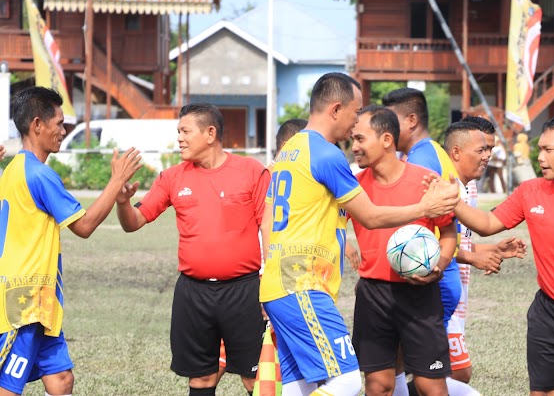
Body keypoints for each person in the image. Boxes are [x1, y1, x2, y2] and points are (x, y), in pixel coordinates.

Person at [259, 73, 460, 396]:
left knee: (299, 385)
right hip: (301, 284)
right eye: (354, 113)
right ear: (336, 109)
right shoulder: (326, 154)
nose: (353, 127)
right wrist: (424, 206)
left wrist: (267, 271)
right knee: (347, 380)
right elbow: (369, 215)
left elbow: (268, 220)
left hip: (277, 284)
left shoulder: (289, 151)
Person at [452, 114, 554, 396]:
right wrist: (450, 199)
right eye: (539, 149)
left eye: (548, 150)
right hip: (548, 313)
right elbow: (487, 224)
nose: (540, 157)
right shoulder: (530, 191)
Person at [116, 103, 270, 396]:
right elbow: (134, 222)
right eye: (178, 132)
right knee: (201, 380)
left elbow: (269, 229)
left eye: (185, 131)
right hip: (193, 294)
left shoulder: (251, 171)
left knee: (255, 380)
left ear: (210, 133)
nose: (179, 139)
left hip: (245, 292)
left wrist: (271, 282)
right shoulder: (172, 177)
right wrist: (123, 202)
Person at [0, 86, 142, 396]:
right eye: (59, 123)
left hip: (42, 301)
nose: (64, 131)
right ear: (37, 124)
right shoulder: (38, 174)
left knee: (61, 380)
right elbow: (86, 225)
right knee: (7, 388)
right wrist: (116, 180)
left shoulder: (12, 171)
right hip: (24, 303)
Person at [350, 105, 457, 396]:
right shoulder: (353, 187)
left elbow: (448, 233)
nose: (354, 147)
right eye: (352, 139)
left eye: (360, 139)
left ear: (386, 139)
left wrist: (441, 265)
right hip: (372, 295)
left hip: (419, 295)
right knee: (379, 385)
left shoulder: (425, 180)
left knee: (430, 386)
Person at [215, 117, 307, 387]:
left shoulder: (287, 178)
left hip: (261, 282)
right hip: (259, 282)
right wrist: (266, 278)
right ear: (293, 146)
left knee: (250, 364)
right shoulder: (271, 180)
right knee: (252, 370)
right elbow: (260, 232)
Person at [382, 87, 463, 394]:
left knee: (420, 372)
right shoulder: (430, 151)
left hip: (431, 278)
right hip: (438, 273)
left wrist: (438, 265)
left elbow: (429, 226)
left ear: (412, 120)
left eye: (392, 121)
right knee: (401, 364)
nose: (386, 129)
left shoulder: (421, 161)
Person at [442, 121, 526, 389]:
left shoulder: (471, 189)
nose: (487, 156)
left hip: (457, 296)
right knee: (459, 372)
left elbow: (461, 242)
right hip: (438, 294)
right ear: (457, 151)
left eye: (490, 149)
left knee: (435, 373)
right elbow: (431, 245)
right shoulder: (444, 187)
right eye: (482, 149)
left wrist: (493, 250)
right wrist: (471, 258)